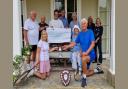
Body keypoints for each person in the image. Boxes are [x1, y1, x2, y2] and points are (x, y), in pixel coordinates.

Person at [63, 18, 96, 88]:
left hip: (90, 54)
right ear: (81, 25)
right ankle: (94, 71)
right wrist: (67, 46)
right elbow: (74, 43)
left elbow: (93, 44)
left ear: (86, 24)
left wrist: (86, 53)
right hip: (84, 54)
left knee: (83, 60)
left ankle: (84, 79)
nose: (83, 24)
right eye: (82, 23)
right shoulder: (80, 34)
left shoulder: (90, 32)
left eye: (84, 23)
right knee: (86, 71)